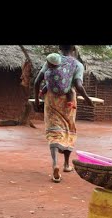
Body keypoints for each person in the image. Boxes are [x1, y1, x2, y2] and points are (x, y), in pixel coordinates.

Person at [34, 45, 94, 183]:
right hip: (68, 102)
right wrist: (87, 99)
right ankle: (66, 164)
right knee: (68, 129)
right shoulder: (77, 65)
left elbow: (37, 82)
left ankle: (55, 164)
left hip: (51, 100)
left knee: (54, 131)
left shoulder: (51, 61)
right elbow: (78, 86)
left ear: (60, 47)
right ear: (73, 48)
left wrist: (37, 101)